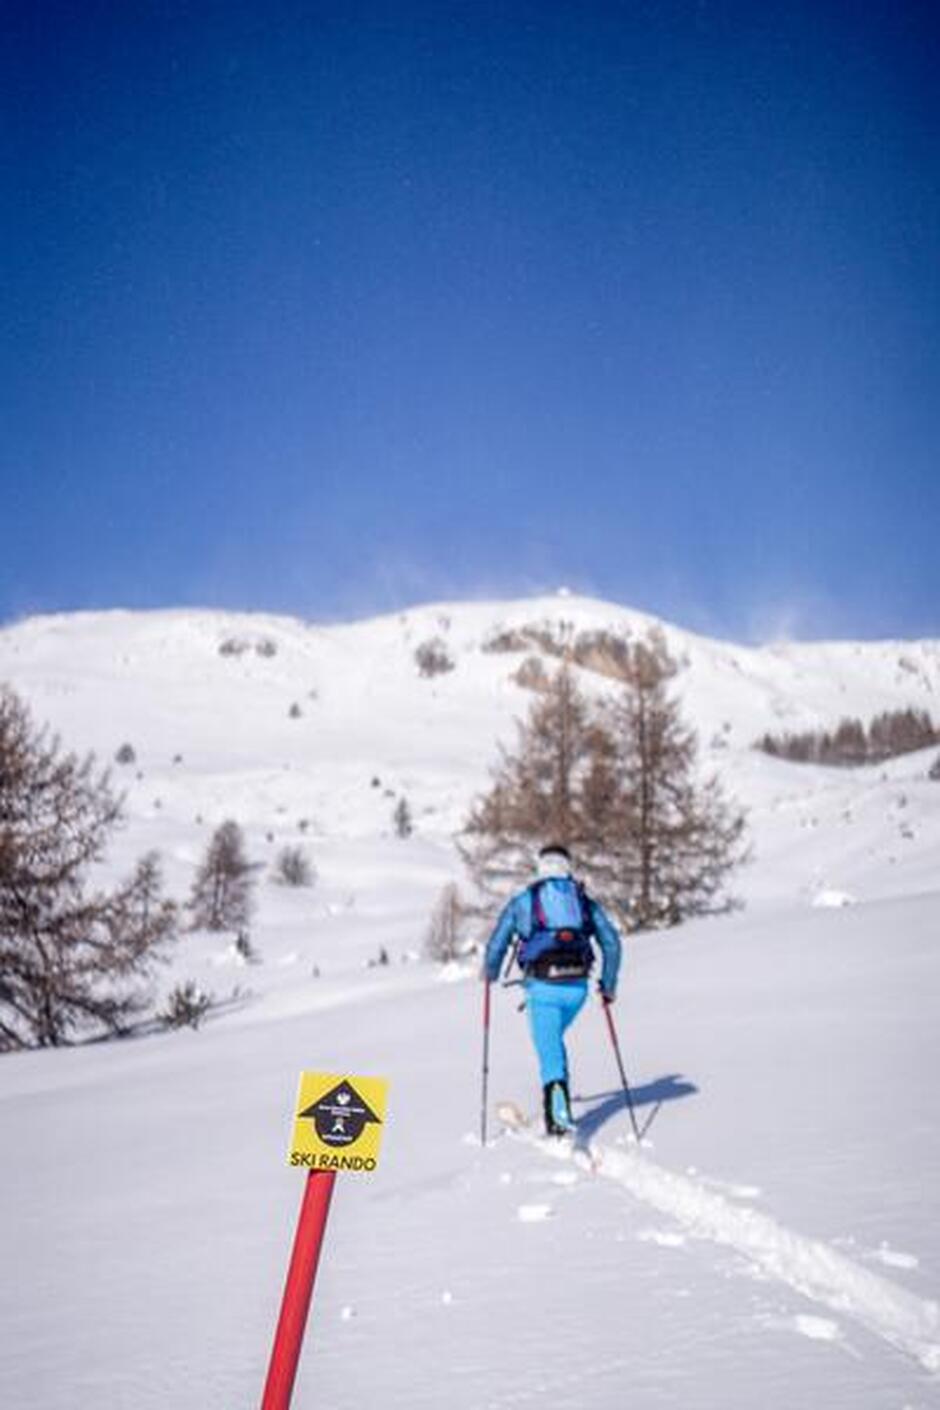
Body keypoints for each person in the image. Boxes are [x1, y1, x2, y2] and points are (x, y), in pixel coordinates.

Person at [483, 843, 623, 1136]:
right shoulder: (583, 900)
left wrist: (490, 972)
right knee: (553, 1043)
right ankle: (556, 1100)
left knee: (550, 1054)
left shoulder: (525, 900)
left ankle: (559, 1121)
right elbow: (611, 942)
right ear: (567, 866)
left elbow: (498, 941)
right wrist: (608, 986)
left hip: (543, 987)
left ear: (541, 866)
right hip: (578, 989)